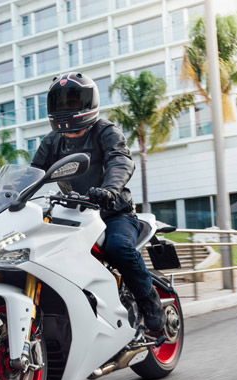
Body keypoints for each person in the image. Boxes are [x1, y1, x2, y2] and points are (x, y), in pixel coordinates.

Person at [30, 72, 165, 333]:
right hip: (74, 218)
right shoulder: (52, 141)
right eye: (59, 103)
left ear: (87, 103)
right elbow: (34, 173)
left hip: (113, 214)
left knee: (118, 249)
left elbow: (120, 159)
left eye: (71, 102)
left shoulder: (105, 131)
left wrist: (109, 189)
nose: (64, 109)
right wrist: (10, 198)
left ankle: (150, 303)